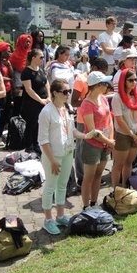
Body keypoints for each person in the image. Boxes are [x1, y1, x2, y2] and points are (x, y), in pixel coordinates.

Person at [39, 79, 88, 234]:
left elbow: (72, 131)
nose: (68, 95)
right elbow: (43, 140)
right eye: (65, 92)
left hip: (67, 153)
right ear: (55, 93)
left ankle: (60, 216)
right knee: (50, 187)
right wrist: (53, 160)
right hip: (53, 156)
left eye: (69, 91)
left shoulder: (65, 108)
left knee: (62, 185)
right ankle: (48, 219)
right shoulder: (46, 112)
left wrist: (87, 136)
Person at [78, 71, 115, 209]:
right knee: (88, 178)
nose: (107, 86)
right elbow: (93, 132)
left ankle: (94, 203)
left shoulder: (103, 98)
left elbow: (109, 120)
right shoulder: (87, 104)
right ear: (97, 85)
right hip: (92, 145)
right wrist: (109, 142)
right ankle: (86, 206)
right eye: (105, 83)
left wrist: (110, 139)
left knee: (98, 175)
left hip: (105, 144)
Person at [111, 69, 137, 188]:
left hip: (136, 134)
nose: (134, 82)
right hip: (123, 134)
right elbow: (119, 121)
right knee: (119, 164)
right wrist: (133, 135)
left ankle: (125, 187)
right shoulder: (117, 98)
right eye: (130, 80)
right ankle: (115, 190)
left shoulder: (136, 95)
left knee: (129, 163)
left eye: (135, 80)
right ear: (123, 81)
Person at [21, 48, 50, 153]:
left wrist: (49, 97)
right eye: (41, 57)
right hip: (31, 102)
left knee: (39, 124)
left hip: (43, 101)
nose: (43, 59)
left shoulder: (41, 69)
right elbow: (29, 89)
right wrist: (40, 100)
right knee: (31, 124)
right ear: (33, 58)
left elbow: (46, 83)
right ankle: (29, 145)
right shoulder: (27, 71)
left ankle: (36, 143)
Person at [9, 34, 32, 117]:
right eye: (26, 42)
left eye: (29, 42)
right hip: (18, 86)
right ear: (21, 42)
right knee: (17, 107)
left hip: (29, 86)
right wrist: (13, 88)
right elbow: (11, 73)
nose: (28, 44)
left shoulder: (30, 55)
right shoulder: (15, 56)